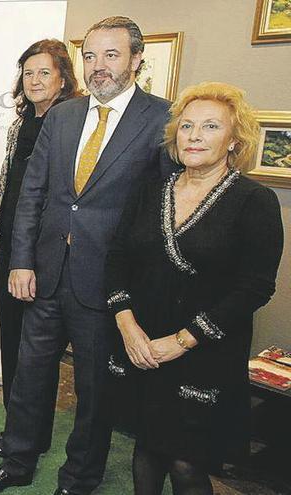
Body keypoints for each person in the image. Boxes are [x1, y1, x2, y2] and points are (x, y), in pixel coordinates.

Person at [0, 16, 178, 495]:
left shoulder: (162, 119)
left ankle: (79, 479)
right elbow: (33, 194)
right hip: (45, 274)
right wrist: (21, 260)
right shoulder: (63, 116)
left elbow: (162, 211)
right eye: (90, 56)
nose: (98, 66)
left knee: (94, 391)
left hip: (106, 284)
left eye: (111, 55)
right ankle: (17, 462)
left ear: (136, 59)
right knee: (30, 376)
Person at [104, 82, 283, 495]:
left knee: (186, 463)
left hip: (205, 352)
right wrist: (128, 327)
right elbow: (116, 260)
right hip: (143, 345)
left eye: (210, 126)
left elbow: (255, 287)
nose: (195, 136)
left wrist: (182, 341)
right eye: (186, 126)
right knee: (146, 449)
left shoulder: (254, 201)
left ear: (234, 141)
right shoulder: (150, 191)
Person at [0, 39, 81, 453]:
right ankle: (18, 426)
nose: (35, 80)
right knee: (12, 337)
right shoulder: (22, 121)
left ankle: (32, 435)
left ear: (63, 78)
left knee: (37, 349)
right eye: (28, 73)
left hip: (47, 255)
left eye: (45, 72)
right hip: (11, 245)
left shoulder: (73, 125)